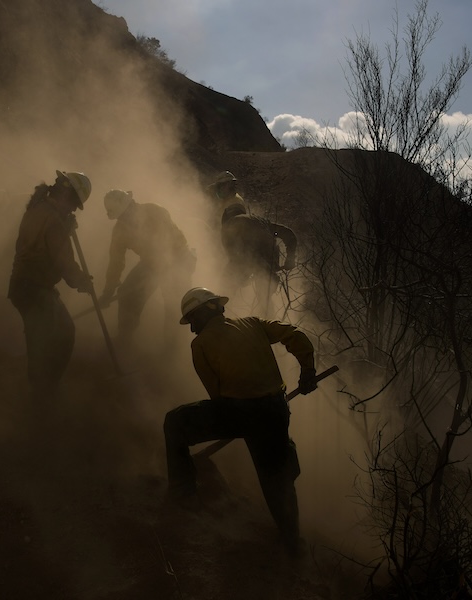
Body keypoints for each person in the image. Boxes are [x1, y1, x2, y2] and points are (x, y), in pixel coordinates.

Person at [162, 287, 318, 555]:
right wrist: (307, 372)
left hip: (237, 412)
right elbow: (296, 335)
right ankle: (292, 542)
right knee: (276, 480)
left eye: (192, 321)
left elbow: (216, 392)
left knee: (175, 422)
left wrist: (237, 421)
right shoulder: (254, 324)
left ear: (206, 310)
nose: (191, 329)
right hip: (275, 411)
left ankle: (183, 494)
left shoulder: (199, 345)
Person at [7, 170, 94, 402]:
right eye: (74, 204)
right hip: (32, 287)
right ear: (66, 195)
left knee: (62, 333)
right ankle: (41, 396)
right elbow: (62, 259)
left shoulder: (39, 210)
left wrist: (65, 224)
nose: (74, 210)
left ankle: (45, 389)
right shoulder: (52, 220)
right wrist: (81, 281)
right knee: (45, 341)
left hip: (31, 286)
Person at [98, 189, 196, 340]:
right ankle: (125, 336)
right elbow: (115, 263)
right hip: (150, 263)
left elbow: (170, 242)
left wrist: (170, 270)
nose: (127, 217)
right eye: (123, 216)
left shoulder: (155, 211)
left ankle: (172, 347)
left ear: (132, 203)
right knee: (127, 294)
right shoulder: (120, 231)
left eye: (129, 210)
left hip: (177, 260)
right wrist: (108, 291)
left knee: (175, 304)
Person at [206, 171, 298, 316]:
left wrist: (238, 275)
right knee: (265, 301)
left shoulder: (230, 226)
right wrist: (290, 258)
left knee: (226, 289)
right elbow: (289, 234)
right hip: (267, 262)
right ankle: (270, 330)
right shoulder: (261, 222)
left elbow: (235, 257)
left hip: (258, 261)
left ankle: (222, 322)